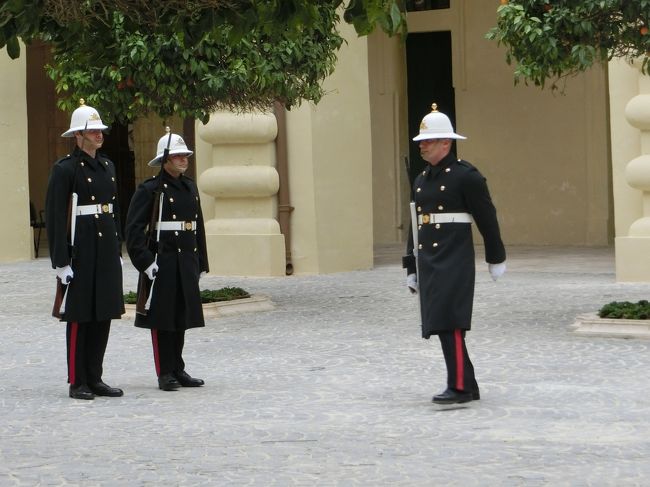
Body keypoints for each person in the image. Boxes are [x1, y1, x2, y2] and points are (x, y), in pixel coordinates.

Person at [403, 103, 506, 405]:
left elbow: (487, 218)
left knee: (451, 321)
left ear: (446, 142)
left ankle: (459, 387)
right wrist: (411, 265)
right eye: (420, 142)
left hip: (454, 257)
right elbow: (415, 223)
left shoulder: (466, 176)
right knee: (440, 321)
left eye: (428, 141)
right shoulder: (422, 180)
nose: (422, 147)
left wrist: (495, 256)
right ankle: (467, 384)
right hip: (430, 259)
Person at [45, 99, 125, 400]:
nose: (98, 135)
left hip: (104, 248)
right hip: (81, 249)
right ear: (77, 136)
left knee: (102, 312)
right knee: (80, 316)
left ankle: (96, 376)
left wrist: (116, 248)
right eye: (91, 131)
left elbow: (113, 210)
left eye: (99, 130)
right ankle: (78, 380)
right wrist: (61, 261)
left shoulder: (108, 166)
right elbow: (55, 216)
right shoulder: (65, 169)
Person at [125, 130, 209, 391]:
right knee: (162, 318)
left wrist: (201, 261)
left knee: (181, 316)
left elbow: (198, 227)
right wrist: (146, 263)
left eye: (185, 155)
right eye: (178, 156)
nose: (184, 159)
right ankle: (164, 372)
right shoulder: (150, 189)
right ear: (165, 159)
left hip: (185, 260)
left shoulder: (190, 186)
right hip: (162, 261)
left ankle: (178, 368)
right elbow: (134, 231)